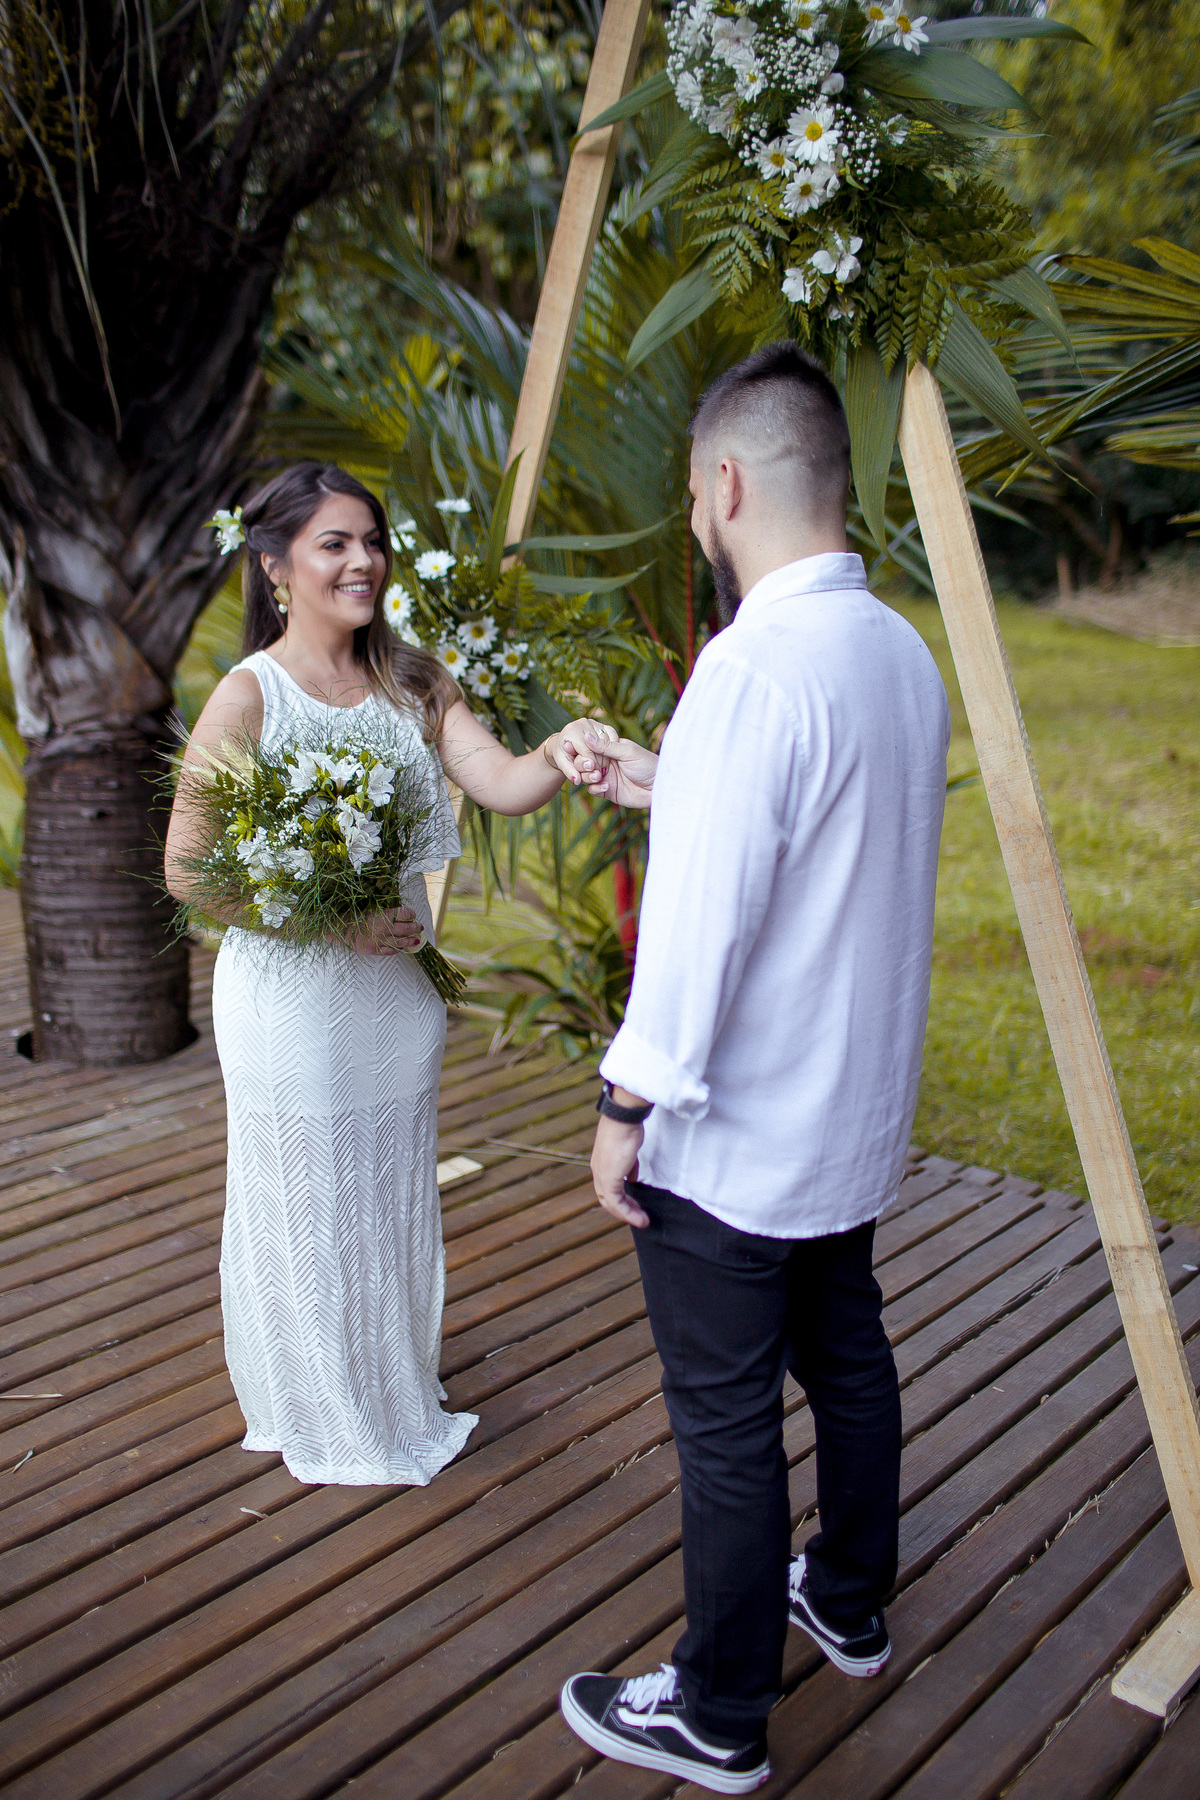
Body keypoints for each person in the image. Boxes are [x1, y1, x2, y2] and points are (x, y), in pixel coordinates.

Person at [558, 344, 950, 1794]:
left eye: (694, 495)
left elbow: (703, 931)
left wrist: (624, 1104)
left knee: (724, 1422)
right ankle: (846, 1599)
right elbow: (823, 829)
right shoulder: (894, 652)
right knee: (847, 1354)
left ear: (724, 485)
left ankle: (717, 1710)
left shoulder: (748, 668)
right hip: (846, 1122)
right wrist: (674, 780)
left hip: (736, 1135)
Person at [165, 462, 611, 1487]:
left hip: (397, 999)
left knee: (384, 1190)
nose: (362, 560)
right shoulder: (251, 696)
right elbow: (190, 868)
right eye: (335, 543)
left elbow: (500, 780)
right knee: (309, 1197)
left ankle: (389, 1389)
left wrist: (566, 746)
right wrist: (329, 922)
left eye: (371, 539)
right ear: (276, 566)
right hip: (294, 1002)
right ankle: (317, 1406)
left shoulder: (415, 680)